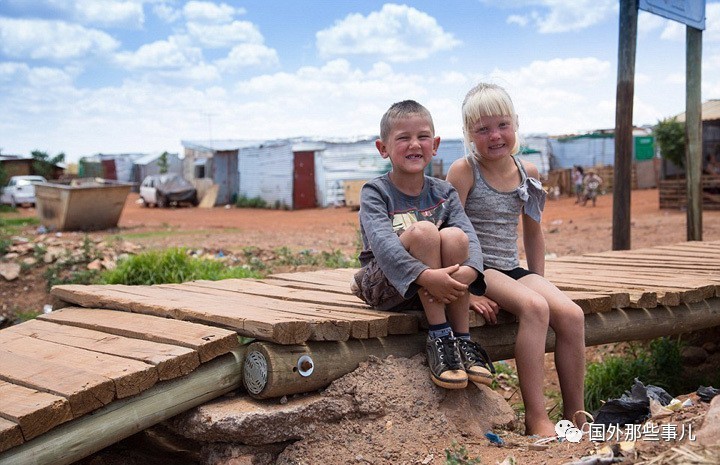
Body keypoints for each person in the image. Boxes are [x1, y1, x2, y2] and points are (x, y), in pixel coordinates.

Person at [446, 83, 586, 436]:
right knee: (535, 309)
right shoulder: (463, 171)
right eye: (483, 129)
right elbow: (448, 236)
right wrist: (470, 292)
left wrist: (540, 281)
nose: (495, 136)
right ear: (468, 134)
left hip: (512, 267)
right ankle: (536, 417)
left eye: (502, 125)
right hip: (477, 268)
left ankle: (575, 414)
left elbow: (533, 233)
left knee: (571, 314)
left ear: (516, 124)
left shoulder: (529, 173)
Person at [351, 99, 495, 390]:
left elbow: (471, 238)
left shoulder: (444, 191)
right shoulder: (376, 192)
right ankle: (440, 335)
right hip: (387, 284)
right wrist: (426, 276)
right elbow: (384, 248)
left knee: (455, 236)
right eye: (403, 138)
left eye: (422, 137)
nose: (414, 144)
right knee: (425, 232)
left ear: (435, 144)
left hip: (436, 285)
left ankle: (462, 341)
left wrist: (471, 272)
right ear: (383, 148)